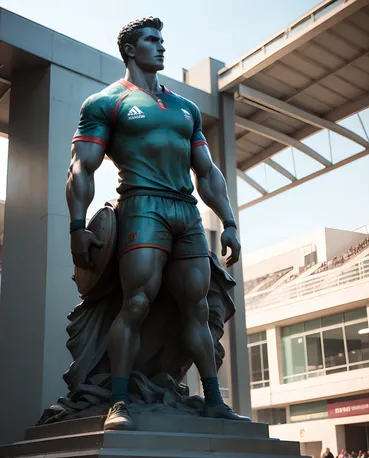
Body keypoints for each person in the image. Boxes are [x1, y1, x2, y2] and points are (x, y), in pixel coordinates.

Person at [67, 16, 248, 431]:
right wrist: (78, 227)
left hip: (185, 211)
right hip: (142, 206)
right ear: (130, 49)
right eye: (152, 40)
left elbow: (206, 171)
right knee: (136, 303)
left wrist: (230, 221)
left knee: (198, 309)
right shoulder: (105, 102)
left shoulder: (185, 108)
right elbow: (81, 168)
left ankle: (214, 399)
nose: (161, 46)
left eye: (162, 39)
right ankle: (119, 401)